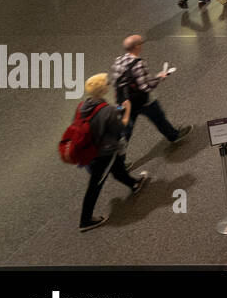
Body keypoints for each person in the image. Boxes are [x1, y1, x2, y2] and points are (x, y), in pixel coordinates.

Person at [74, 73, 149, 232]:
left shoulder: (83, 106)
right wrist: (127, 110)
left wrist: (116, 110)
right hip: (102, 154)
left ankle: (134, 184)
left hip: (89, 149)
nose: (108, 85)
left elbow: (98, 117)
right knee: (95, 185)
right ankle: (85, 219)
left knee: (117, 169)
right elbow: (120, 127)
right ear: (103, 89)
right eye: (106, 84)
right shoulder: (107, 110)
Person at [110, 35, 191, 153]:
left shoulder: (118, 60)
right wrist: (159, 77)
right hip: (142, 102)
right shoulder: (139, 63)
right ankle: (174, 136)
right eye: (141, 42)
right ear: (137, 46)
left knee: (126, 129)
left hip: (124, 102)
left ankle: (118, 160)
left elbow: (115, 81)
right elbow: (146, 87)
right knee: (159, 118)